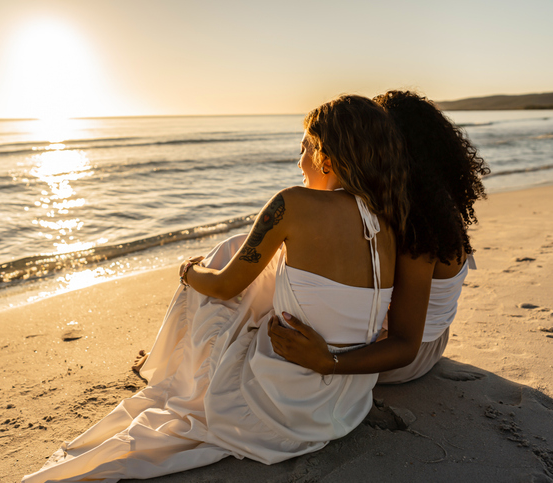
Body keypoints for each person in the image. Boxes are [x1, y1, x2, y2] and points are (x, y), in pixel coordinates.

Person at [22, 95, 410, 483]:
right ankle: (168, 365)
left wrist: (188, 272)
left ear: (327, 157)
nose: (299, 161)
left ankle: (171, 368)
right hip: (344, 405)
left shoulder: (294, 204)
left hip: (285, 407)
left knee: (218, 267)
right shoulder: (390, 221)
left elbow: (225, 287)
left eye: (305, 147)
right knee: (244, 251)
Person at [268, 91, 489, 385]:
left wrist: (328, 362)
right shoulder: (426, 203)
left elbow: (405, 345)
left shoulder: (417, 226)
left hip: (408, 353)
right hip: (427, 338)